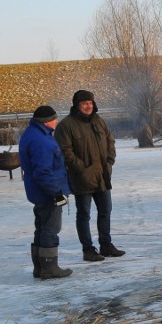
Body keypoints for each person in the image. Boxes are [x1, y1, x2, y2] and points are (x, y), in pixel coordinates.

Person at [55, 90, 126, 261]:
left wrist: (109, 162)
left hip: (102, 175)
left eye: (90, 103)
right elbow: (65, 151)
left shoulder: (98, 120)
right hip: (82, 177)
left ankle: (106, 245)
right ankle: (88, 249)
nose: (88, 106)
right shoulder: (66, 125)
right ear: (77, 105)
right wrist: (82, 169)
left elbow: (110, 141)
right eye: (85, 103)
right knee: (84, 214)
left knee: (105, 211)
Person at [18, 105, 73, 279]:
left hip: (39, 191)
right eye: (54, 118)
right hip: (48, 192)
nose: (56, 121)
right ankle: (49, 267)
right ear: (46, 121)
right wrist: (57, 193)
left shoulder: (33, 134)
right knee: (51, 227)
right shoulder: (41, 141)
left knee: (42, 227)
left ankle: (40, 267)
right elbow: (43, 172)